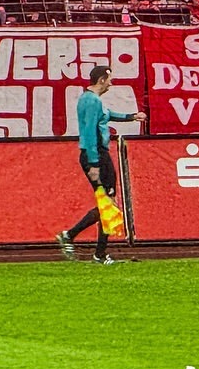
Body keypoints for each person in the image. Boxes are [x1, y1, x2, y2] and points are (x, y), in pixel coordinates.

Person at [56, 65, 144, 265]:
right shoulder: (91, 101)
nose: (111, 84)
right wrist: (94, 163)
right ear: (102, 79)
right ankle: (73, 238)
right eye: (110, 79)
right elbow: (88, 132)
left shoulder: (92, 100)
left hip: (97, 155)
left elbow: (106, 115)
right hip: (96, 156)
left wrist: (130, 116)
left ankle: (98, 252)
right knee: (108, 205)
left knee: (108, 205)